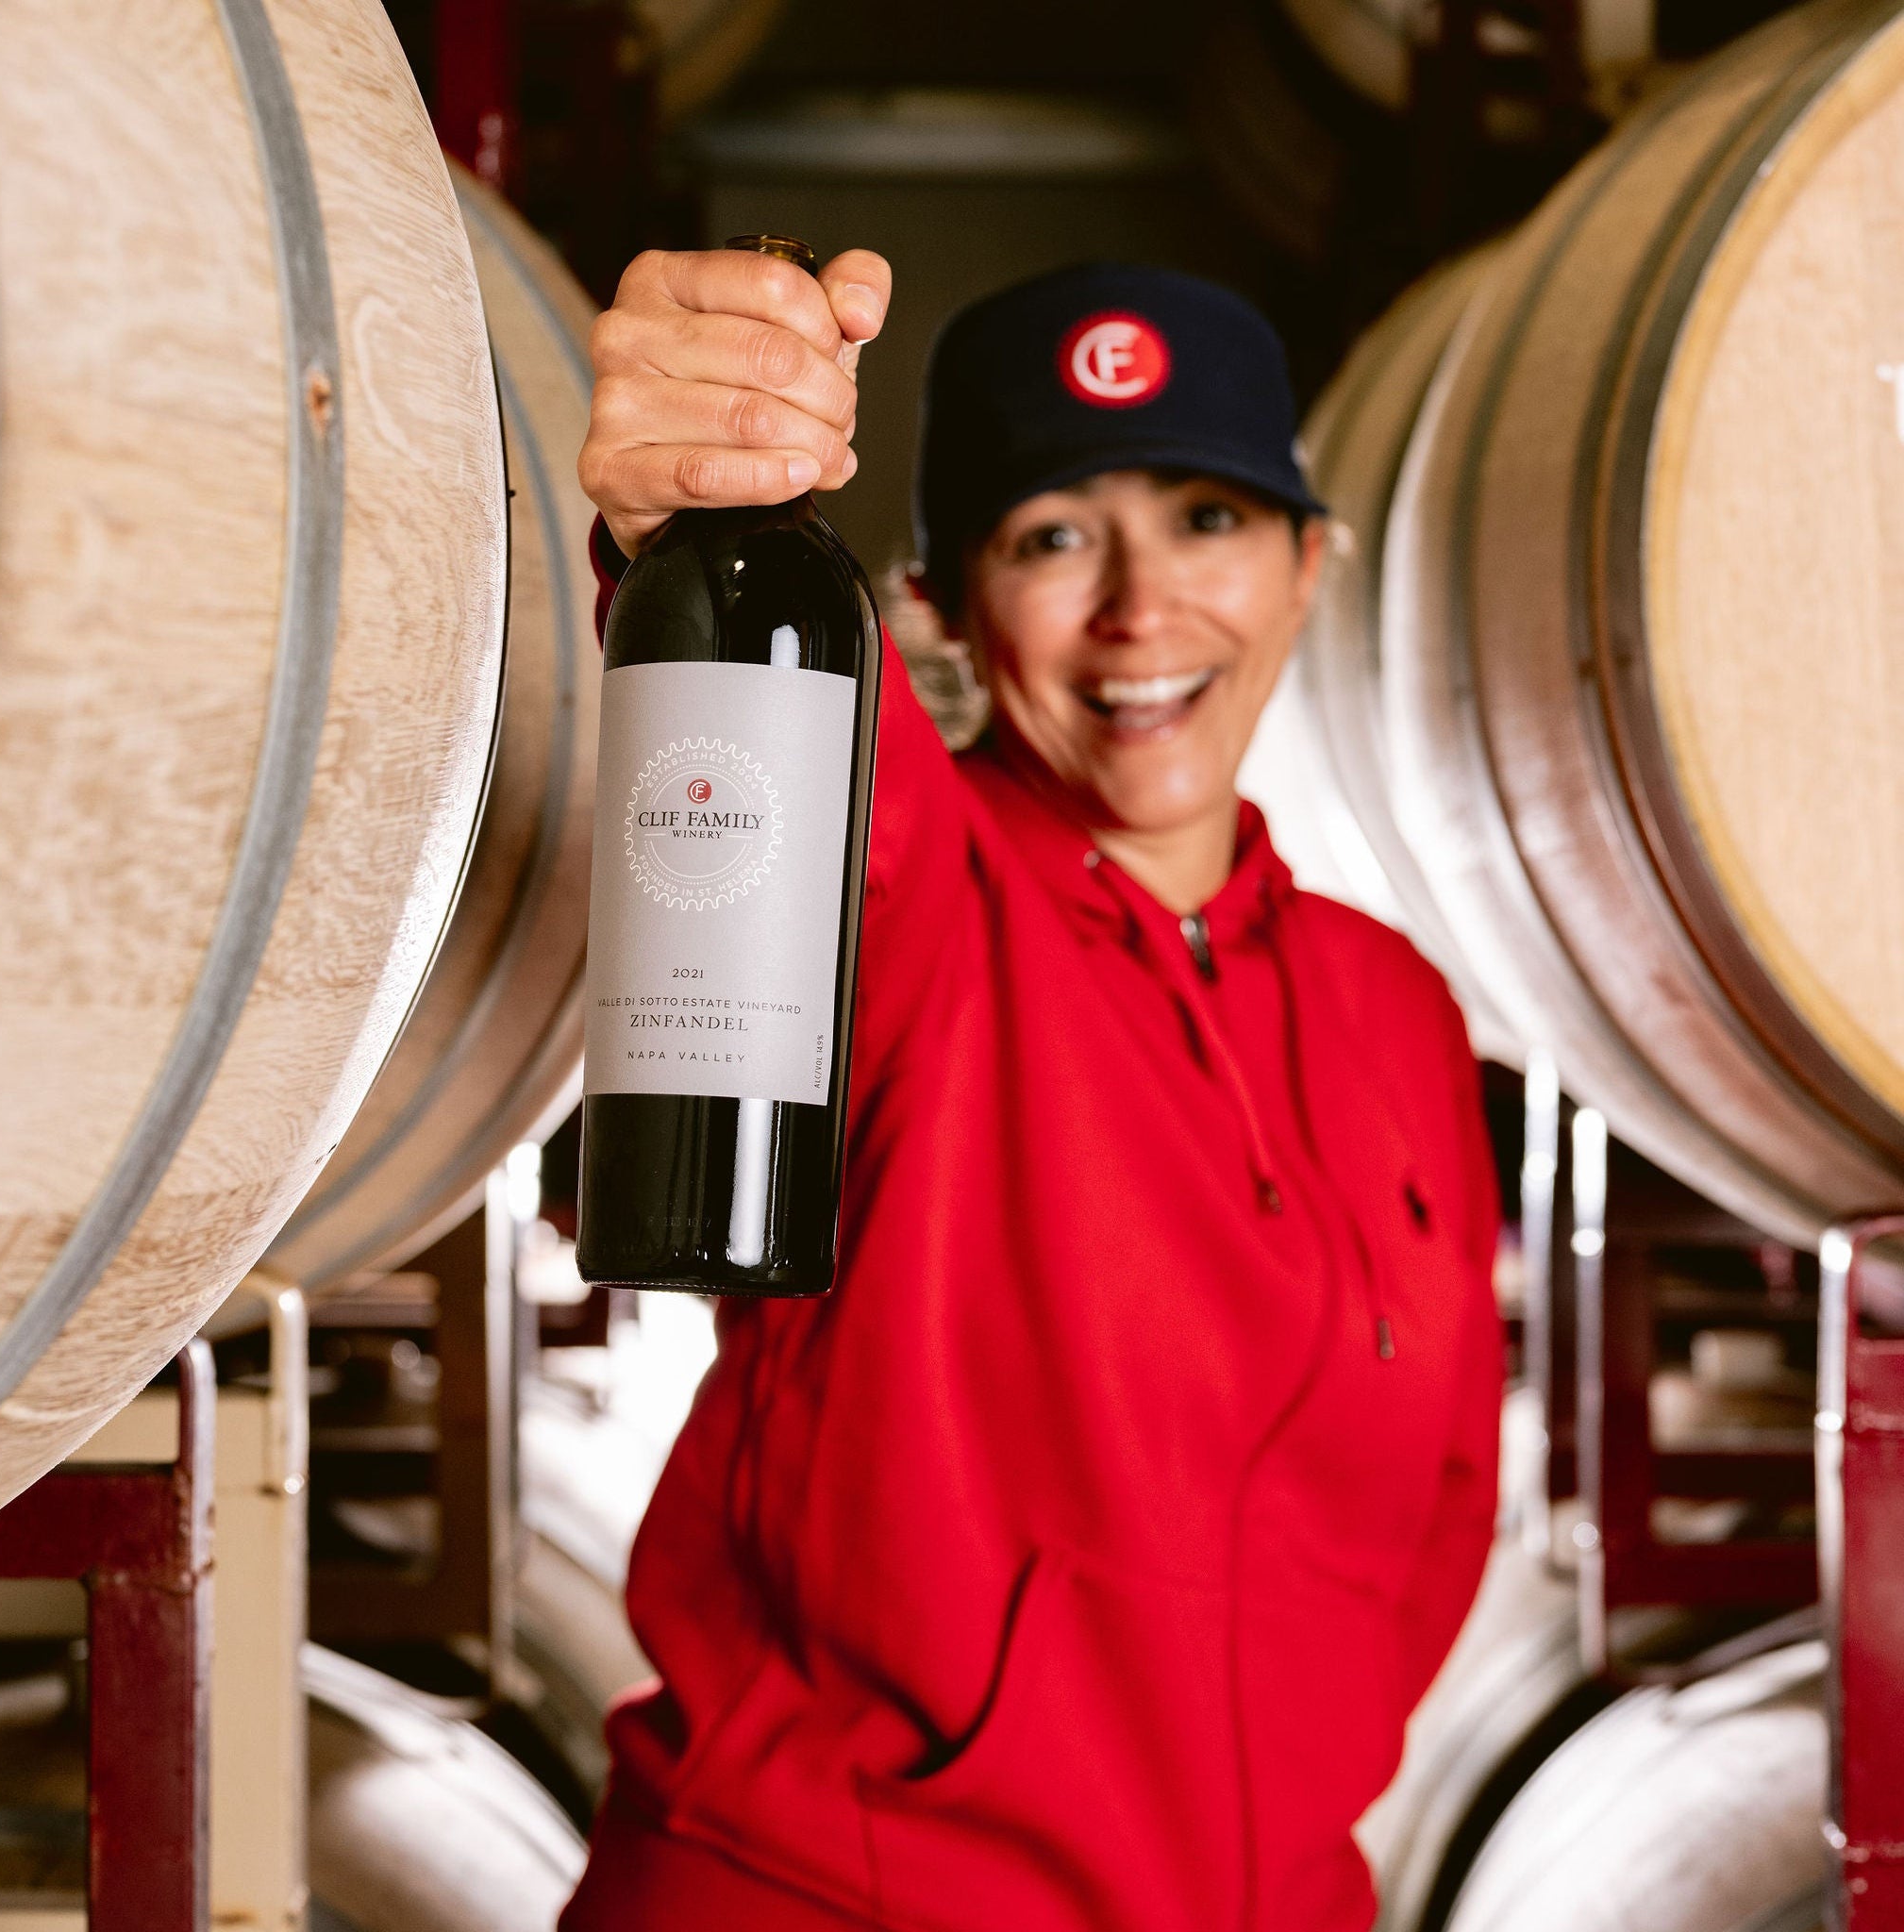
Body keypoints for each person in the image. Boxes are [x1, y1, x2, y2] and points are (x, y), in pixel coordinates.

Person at [564, 244, 1503, 1932]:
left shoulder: (1396, 1012)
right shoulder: (907, 897)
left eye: (1207, 520)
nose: (1143, 610)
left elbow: (1433, 1528)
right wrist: (675, 505)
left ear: (1310, 566)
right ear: (933, 610)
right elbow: (778, 766)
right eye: (1053, 537)